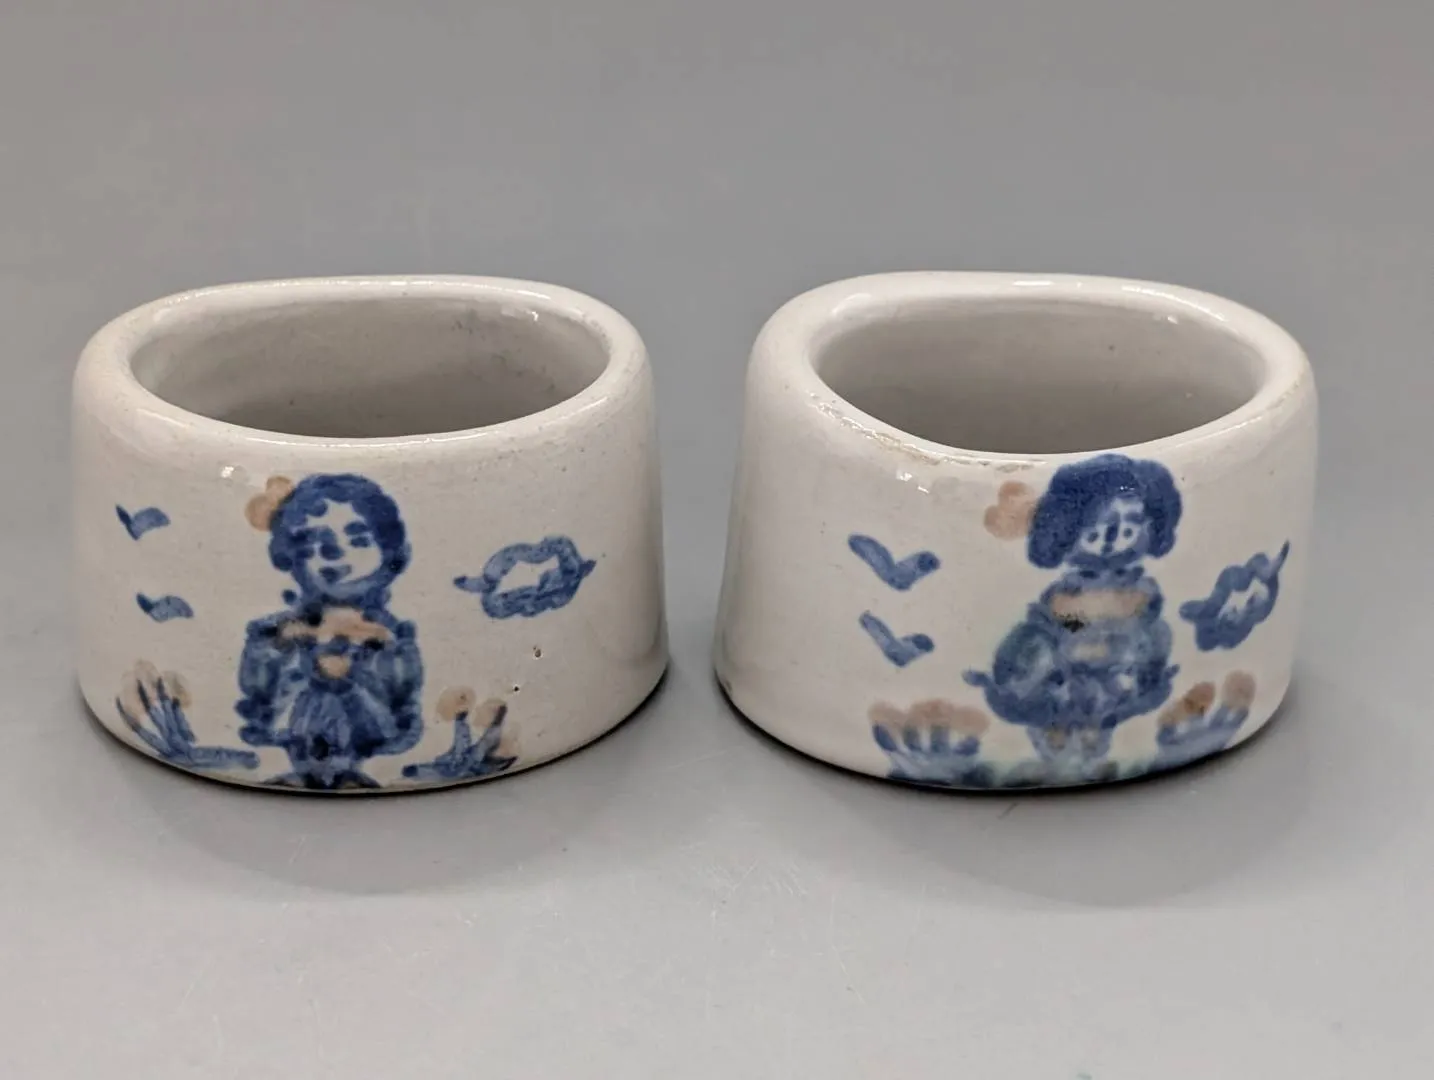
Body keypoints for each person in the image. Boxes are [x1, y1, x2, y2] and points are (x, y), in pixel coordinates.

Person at [965, 454, 1182, 777]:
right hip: (1065, 669)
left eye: (1130, 525)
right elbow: (1055, 626)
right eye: (1096, 530)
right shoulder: (1066, 593)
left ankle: (1095, 731)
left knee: (1154, 639)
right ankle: (1056, 732)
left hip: (1118, 667)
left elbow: (1146, 628)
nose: (1112, 539)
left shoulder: (1139, 591)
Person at [234, 474, 424, 789]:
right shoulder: (280, 631)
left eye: (358, 540)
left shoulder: (389, 637)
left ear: (388, 550)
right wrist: (285, 646)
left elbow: (400, 699)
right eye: (314, 543)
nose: (335, 554)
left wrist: (365, 661)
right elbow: (261, 693)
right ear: (290, 554)